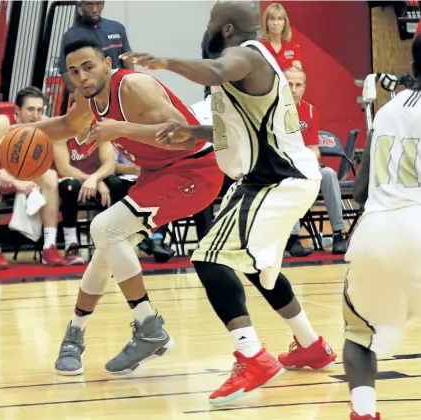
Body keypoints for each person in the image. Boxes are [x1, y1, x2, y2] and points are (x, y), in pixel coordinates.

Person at [121, 0, 336, 405]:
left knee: (209, 258)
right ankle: (310, 345)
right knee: (250, 265)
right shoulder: (246, 70)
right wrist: (189, 130)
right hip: (270, 179)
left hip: (278, 180)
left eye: (210, 22)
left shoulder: (244, 56)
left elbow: (218, 68)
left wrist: (163, 61)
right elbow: (233, 130)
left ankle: (251, 356)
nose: (205, 28)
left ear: (225, 30)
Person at [12, 37, 224, 376]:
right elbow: (67, 126)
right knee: (106, 247)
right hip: (157, 173)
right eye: (74, 71)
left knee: (104, 228)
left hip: (195, 171)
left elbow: (188, 137)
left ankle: (149, 328)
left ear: (107, 64)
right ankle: (75, 336)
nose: (81, 76)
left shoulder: (134, 86)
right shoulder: (88, 97)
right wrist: (19, 130)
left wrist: (121, 128)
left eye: (88, 67)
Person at [341, 37, 421, 420]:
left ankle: (364, 412)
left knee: (359, 337)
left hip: (375, 232)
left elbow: (358, 189)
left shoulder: (388, 110)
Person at [0, 87, 64, 269]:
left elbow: (57, 164)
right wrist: (6, 178)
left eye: (39, 110)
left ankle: (49, 246)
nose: (35, 115)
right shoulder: (1, 124)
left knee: (51, 176)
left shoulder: (42, 125)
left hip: (22, 178)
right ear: (17, 111)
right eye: (30, 109)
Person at [284, 66, 348, 255]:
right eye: (289, 85)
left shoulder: (311, 111)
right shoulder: (272, 111)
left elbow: (313, 148)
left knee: (328, 173)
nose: (294, 89)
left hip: (306, 166)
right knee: (291, 178)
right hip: (282, 168)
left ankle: (338, 234)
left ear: (304, 87)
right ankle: (293, 238)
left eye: (298, 85)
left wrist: (310, 161)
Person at [54, 116, 116, 265]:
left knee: (114, 184)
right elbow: (64, 168)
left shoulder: (100, 129)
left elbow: (109, 165)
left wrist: (96, 179)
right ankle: (71, 245)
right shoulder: (62, 131)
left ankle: (103, 244)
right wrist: (91, 179)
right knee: (70, 187)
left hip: (91, 179)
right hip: (68, 178)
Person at [58, 1, 133, 93]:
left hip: (119, 90)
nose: (94, 9)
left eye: (99, 4)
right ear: (80, 5)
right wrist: (81, 98)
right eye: (89, 4)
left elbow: (127, 60)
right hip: (93, 94)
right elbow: (66, 73)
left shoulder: (117, 28)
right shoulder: (71, 36)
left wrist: (130, 85)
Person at [260, 3, 301, 70]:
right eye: (272, 19)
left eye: (279, 19)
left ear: (285, 22)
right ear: (266, 22)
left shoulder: (293, 47)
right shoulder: (260, 47)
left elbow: (298, 77)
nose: (275, 23)